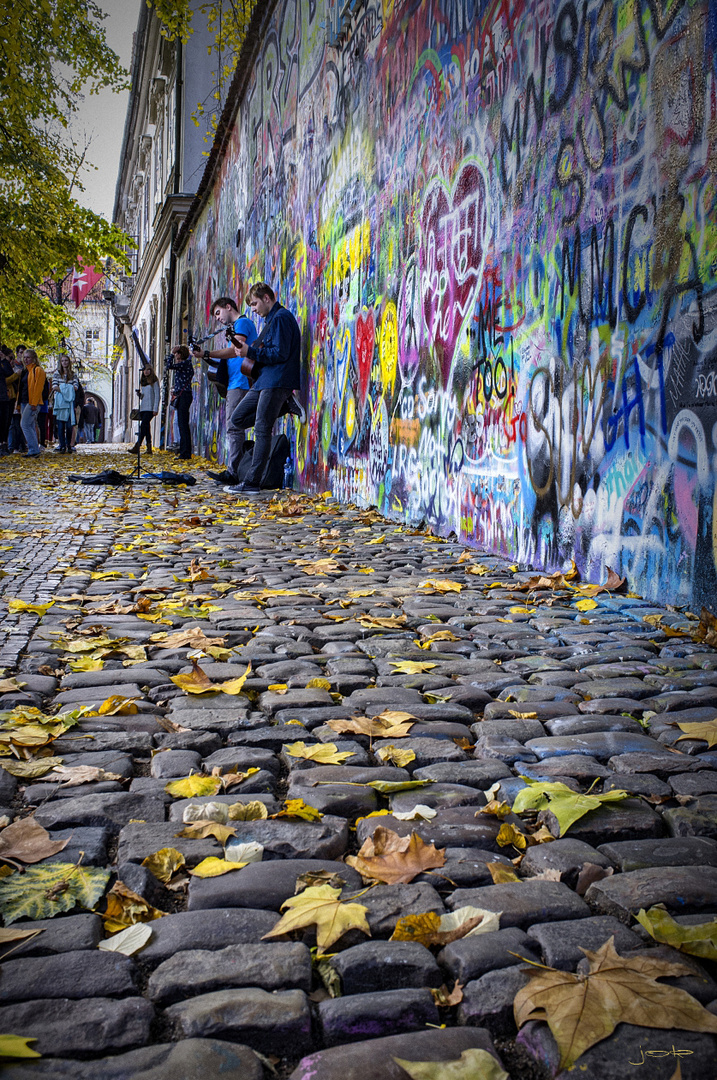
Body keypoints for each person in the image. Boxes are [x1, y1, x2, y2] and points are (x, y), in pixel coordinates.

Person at [229, 282, 301, 492]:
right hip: (263, 381)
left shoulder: (281, 318)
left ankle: (252, 482)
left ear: (267, 298)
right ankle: (285, 406)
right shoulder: (271, 321)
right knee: (238, 419)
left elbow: (280, 354)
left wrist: (249, 352)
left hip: (276, 381)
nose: (253, 309)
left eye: (254, 303)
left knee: (262, 429)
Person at [166, 344, 194, 460]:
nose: (176, 355)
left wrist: (171, 354)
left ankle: (185, 453)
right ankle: (184, 451)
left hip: (184, 396)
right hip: (182, 395)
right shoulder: (185, 365)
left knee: (183, 425)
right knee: (182, 424)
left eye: (177, 353)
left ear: (180, 354)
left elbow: (168, 366)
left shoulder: (184, 364)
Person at [19, 350, 46, 458]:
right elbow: (21, 389)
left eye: (28, 357)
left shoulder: (38, 370)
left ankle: (34, 449)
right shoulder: (26, 371)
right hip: (24, 401)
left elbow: (38, 388)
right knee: (29, 425)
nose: (26, 359)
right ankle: (34, 449)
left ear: (34, 358)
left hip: (32, 402)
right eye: (24, 357)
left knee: (25, 424)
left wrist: (34, 403)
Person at [129, 362, 160, 455]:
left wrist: (155, 408)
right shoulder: (143, 382)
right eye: (144, 370)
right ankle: (149, 448)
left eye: (147, 370)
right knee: (146, 428)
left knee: (144, 425)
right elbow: (145, 396)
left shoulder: (154, 381)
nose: (146, 372)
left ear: (151, 371)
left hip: (150, 408)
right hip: (143, 408)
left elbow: (157, 395)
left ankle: (137, 446)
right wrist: (140, 395)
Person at [51, 356, 78, 454]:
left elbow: (75, 387)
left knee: (69, 425)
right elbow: (54, 386)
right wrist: (67, 389)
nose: (64, 362)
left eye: (66, 360)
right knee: (60, 425)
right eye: (62, 361)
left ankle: (69, 444)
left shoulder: (73, 375)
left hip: (69, 403)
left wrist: (62, 388)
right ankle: (61, 445)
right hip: (60, 402)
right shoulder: (57, 374)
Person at [0, 347, 14, 455]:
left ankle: (3, 444)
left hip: (4, 397)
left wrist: (4, 360)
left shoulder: (3, 364)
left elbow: (8, 373)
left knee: (5, 422)